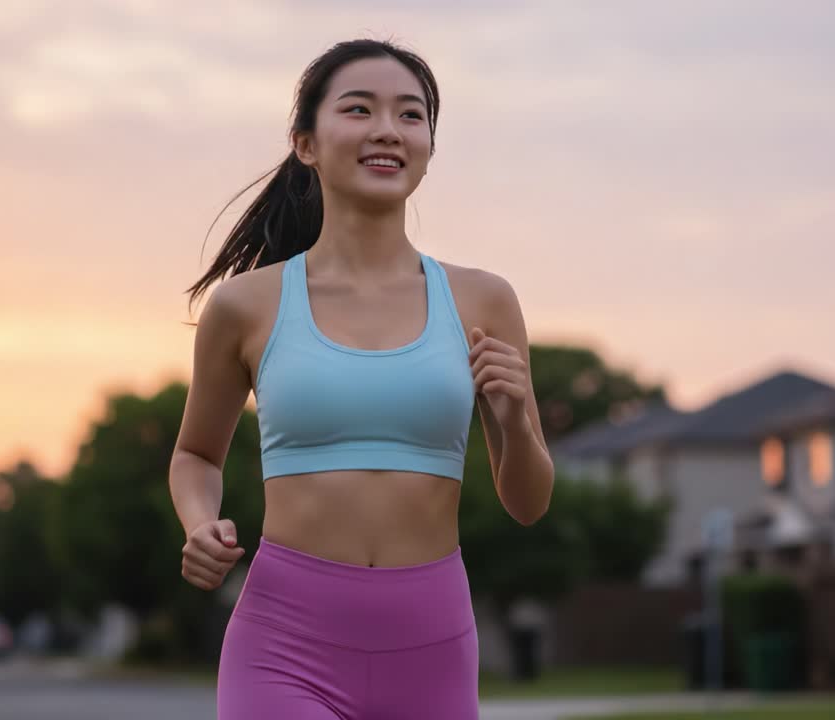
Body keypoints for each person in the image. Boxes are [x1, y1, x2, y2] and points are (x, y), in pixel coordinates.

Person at [168, 37, 554, 720]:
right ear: (307, 143)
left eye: (411, 115)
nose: (387, 129)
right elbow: (196, 455)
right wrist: (200, 524)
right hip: (284, 647)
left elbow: (528, 503)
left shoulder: (484, 301)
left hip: (432, 647)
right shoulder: (247, 306)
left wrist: (517, 420)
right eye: (359, 109)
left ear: (429, 147)